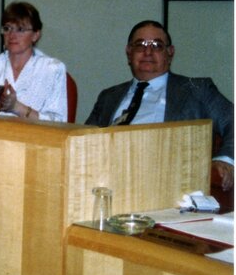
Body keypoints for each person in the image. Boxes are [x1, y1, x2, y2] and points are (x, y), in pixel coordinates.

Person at [86, 20, 234, 190]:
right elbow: (84, 140)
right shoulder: (108, 96)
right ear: (129, 52)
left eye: (157, 45)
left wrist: (225, 160)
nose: (148, 51)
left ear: (169, 53)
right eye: (140, 45)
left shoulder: (197, 89)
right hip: (106, 182)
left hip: (168, 183)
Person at [0, 1, 68, 121]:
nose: (12, 35)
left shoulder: (53, 70)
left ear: (36, 35)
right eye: (7, 28)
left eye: (20, 29)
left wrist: (17, 107)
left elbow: (59, 124)